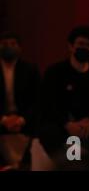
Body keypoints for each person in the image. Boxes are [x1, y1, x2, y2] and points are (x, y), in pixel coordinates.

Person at [36, 26, 89, 166]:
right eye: (81, 44)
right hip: (61, 123)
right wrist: (67, 124)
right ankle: (70, 166)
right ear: (71, 47)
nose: (85, 48)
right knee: (49, 132)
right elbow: (48, 103)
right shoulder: (54, 72)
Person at [0, 31, 40, 169]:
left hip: (24, 119)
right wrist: (4, 120)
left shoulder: (30, 70)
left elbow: (37, 100)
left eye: (12, 44)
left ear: (20, 47)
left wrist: (21, 119)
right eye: (4, 44)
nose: (8, 47)